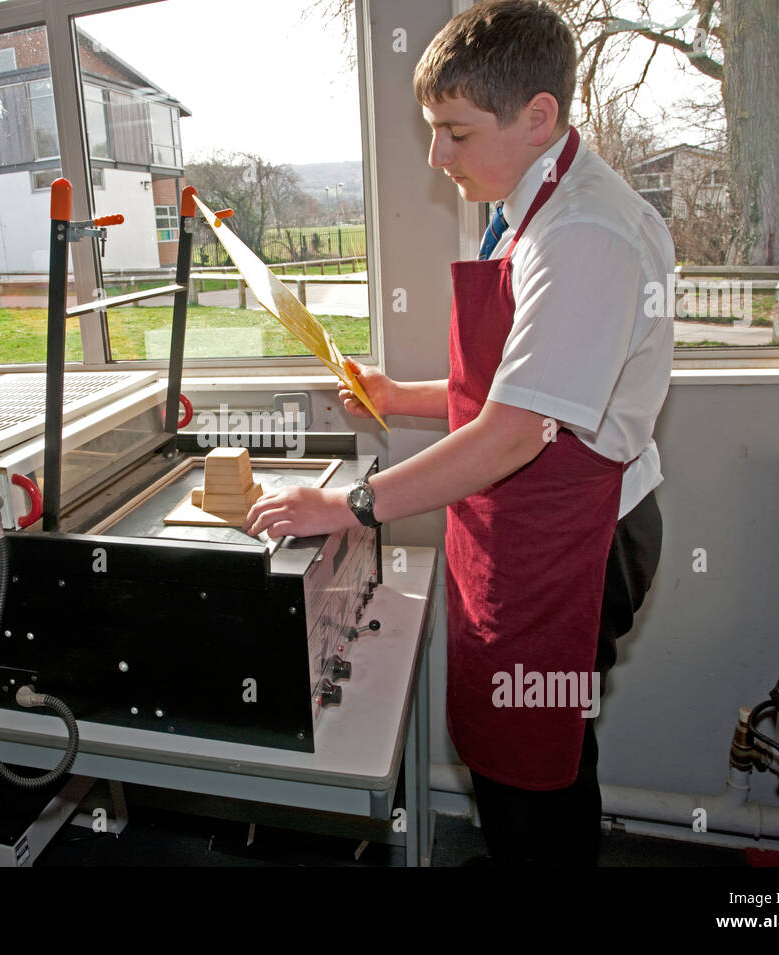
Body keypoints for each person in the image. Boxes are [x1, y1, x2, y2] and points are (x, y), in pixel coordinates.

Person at [243, 0, 671, 865]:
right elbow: (515, 388)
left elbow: (513, 433)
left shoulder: (584, 233)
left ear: (539, 114)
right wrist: (398, 395)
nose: (437, 156)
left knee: (538, 762)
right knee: (522, 751)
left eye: (455, 133)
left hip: (577, 541)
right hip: (531, 525)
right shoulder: (529, 206)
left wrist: (351, 506)